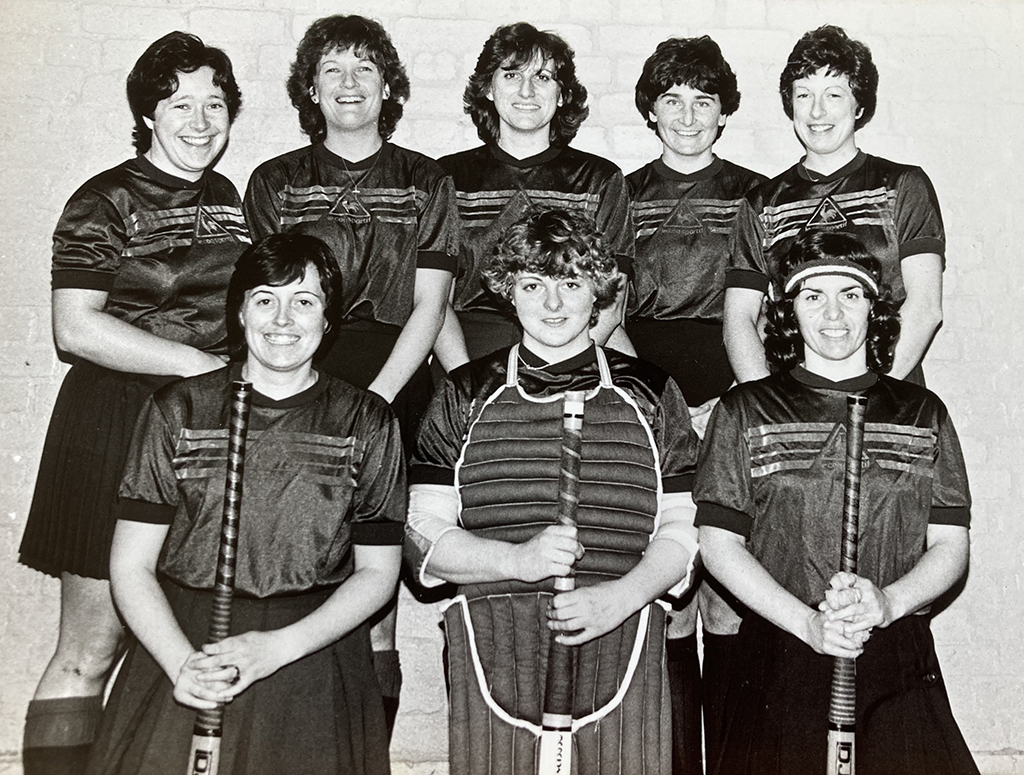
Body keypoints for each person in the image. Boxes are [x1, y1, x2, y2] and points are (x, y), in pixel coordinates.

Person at [85, 233, 405, 775]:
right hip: (188, 639)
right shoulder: (178, 409)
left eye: (304, 301)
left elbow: (378, 575)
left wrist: (278, 649)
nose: (283, 319)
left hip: (311, 651)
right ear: (239, 312)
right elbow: (130, 564)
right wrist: (182, 665)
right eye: (265, 299)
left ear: (328, 320)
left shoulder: (367, 421)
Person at [18, 32, 247, 775]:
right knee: (91, 647)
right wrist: (200, 364)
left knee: (175, 639)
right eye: (181, 103)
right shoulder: (105, 197)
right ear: (149, 112)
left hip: (199, 430)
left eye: (215, 103)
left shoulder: (226, 198)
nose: (200, 119)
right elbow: (74, 326)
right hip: (115, 422)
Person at [406, 209, 700, 775]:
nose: (554, 304)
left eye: (571, 283)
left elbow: (685, 529)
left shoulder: (651, 391)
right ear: (508, 294)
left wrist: (621, 598)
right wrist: (516, 559)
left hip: (626, 629)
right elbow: (423, 533)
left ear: (599, 294)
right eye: (533, 285)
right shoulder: (464, 392)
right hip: (495, 638)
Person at [243, 14, 458, 731]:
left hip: (395, 386)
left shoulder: (426, 179)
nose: (349, 83)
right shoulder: (275, 181)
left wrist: (377, 402)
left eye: (365, 68)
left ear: (388, 83)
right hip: (302, 381)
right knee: (298, 574)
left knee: (378, 599)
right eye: (332, 68)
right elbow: (269, 304)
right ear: (310, 87)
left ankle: (365, 752)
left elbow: (431, 304)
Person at [695, 231, 978, 775]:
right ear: (787, 311)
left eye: (851, 295)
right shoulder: (746, 411)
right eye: (813, 296)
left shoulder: (920, 412)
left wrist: (889, 603)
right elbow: (719, 545)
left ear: (875, 308)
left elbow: (950, 543)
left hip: (892, 650)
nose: (833, 314)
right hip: (780, 650)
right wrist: (807, 625)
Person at [626, 36, 766, 775]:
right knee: (672, 591)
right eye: (672, 99)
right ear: (651, 110)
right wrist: (657, 407)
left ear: (722, 114)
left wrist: (739, 402)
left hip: (734, 397)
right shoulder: (622, 193)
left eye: (703, 101)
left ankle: (739, 759)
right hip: (653, 400)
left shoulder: (758, 193)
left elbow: (768, 315)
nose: (687, 115)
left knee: (729, 594)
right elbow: (607, 313)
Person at [724, 25, 944, 386]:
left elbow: (925, 309)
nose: (817, 111)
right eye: (804, 95)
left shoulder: (903, 187)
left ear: (859, 105)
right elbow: (740, 319)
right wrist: (768, 404)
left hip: (887, 389)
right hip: (794, 401)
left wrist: (869, 395)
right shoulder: (762, 204)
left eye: (834, 95)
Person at [433, 21, 634, 370]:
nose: (527, 91)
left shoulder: (599, 179)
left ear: (561, 94)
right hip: (470, 348)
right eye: (511, 75)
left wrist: (555, 371)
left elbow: (611, 302)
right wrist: (465, 380)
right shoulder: (448, 177)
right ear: (489, 89)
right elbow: (435, 302)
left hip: (573, 348)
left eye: (542, 77)